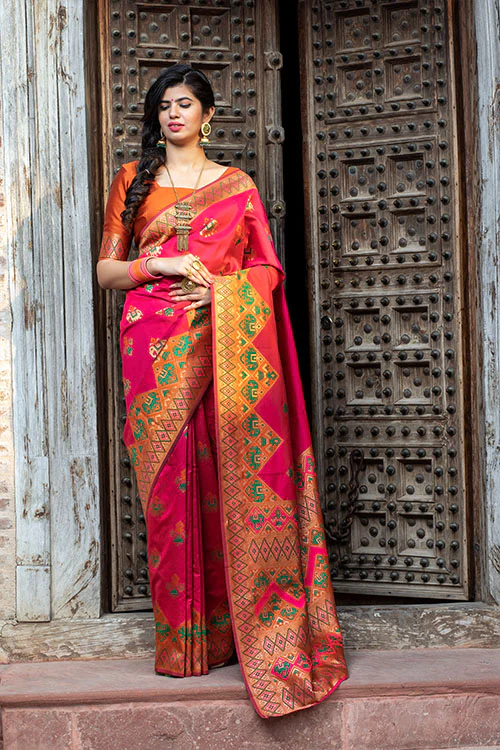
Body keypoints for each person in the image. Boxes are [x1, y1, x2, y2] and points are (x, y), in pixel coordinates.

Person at [96, 63, 348, 719]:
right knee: (167, 490)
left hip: (223, 343)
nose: (173, 114)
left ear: (207, 115)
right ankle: (181, 643)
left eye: (184, 104)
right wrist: (160, 262)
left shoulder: (237, 186)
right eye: (163, 105)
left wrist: (222, 293)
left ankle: (234, 634)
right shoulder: (132, 180)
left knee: (223, 478)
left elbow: (267, 269)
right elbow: (106, 270)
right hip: (152, 346)